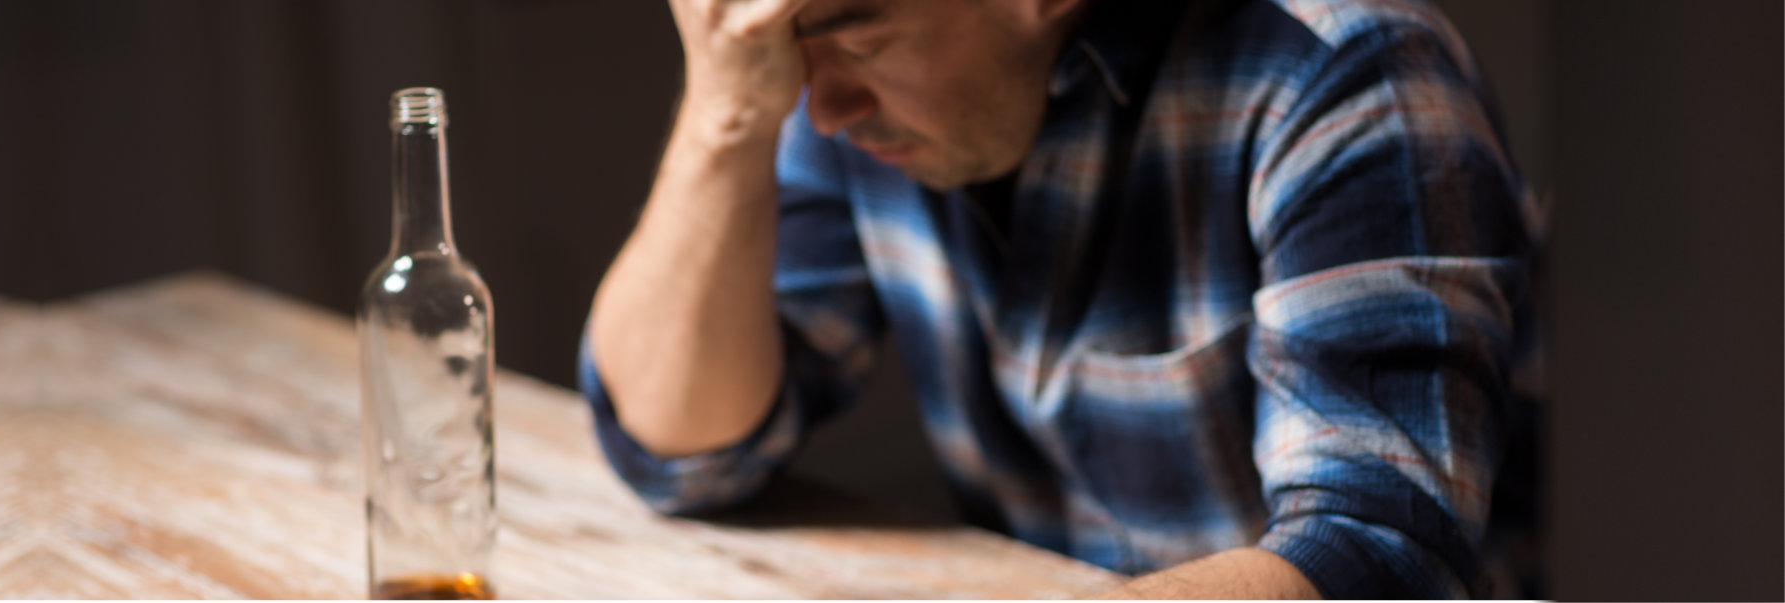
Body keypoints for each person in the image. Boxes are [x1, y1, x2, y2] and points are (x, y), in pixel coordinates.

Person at [579, 0, 1542, 598]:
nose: (818, 106)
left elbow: (1385, 555)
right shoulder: (844, 107)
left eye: (853, 34)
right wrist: (724, 116)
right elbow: (681, 452)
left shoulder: (1342, 73)